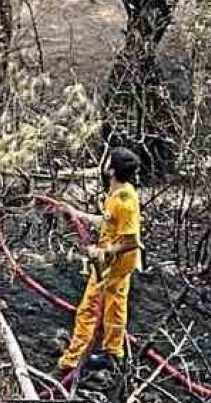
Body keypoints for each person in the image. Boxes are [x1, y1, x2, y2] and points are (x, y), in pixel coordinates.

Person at [56, 147, 145, 375]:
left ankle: (74, 359)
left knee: (89, 308)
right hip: (115, 263)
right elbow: (108, 223)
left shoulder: (124, 200)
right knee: (114, 306)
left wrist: (103, 253)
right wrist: (78, 214)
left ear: (111, 170)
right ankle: (112, 353)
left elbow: (131, 240)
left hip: (115, 264)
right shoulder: (117, 193)